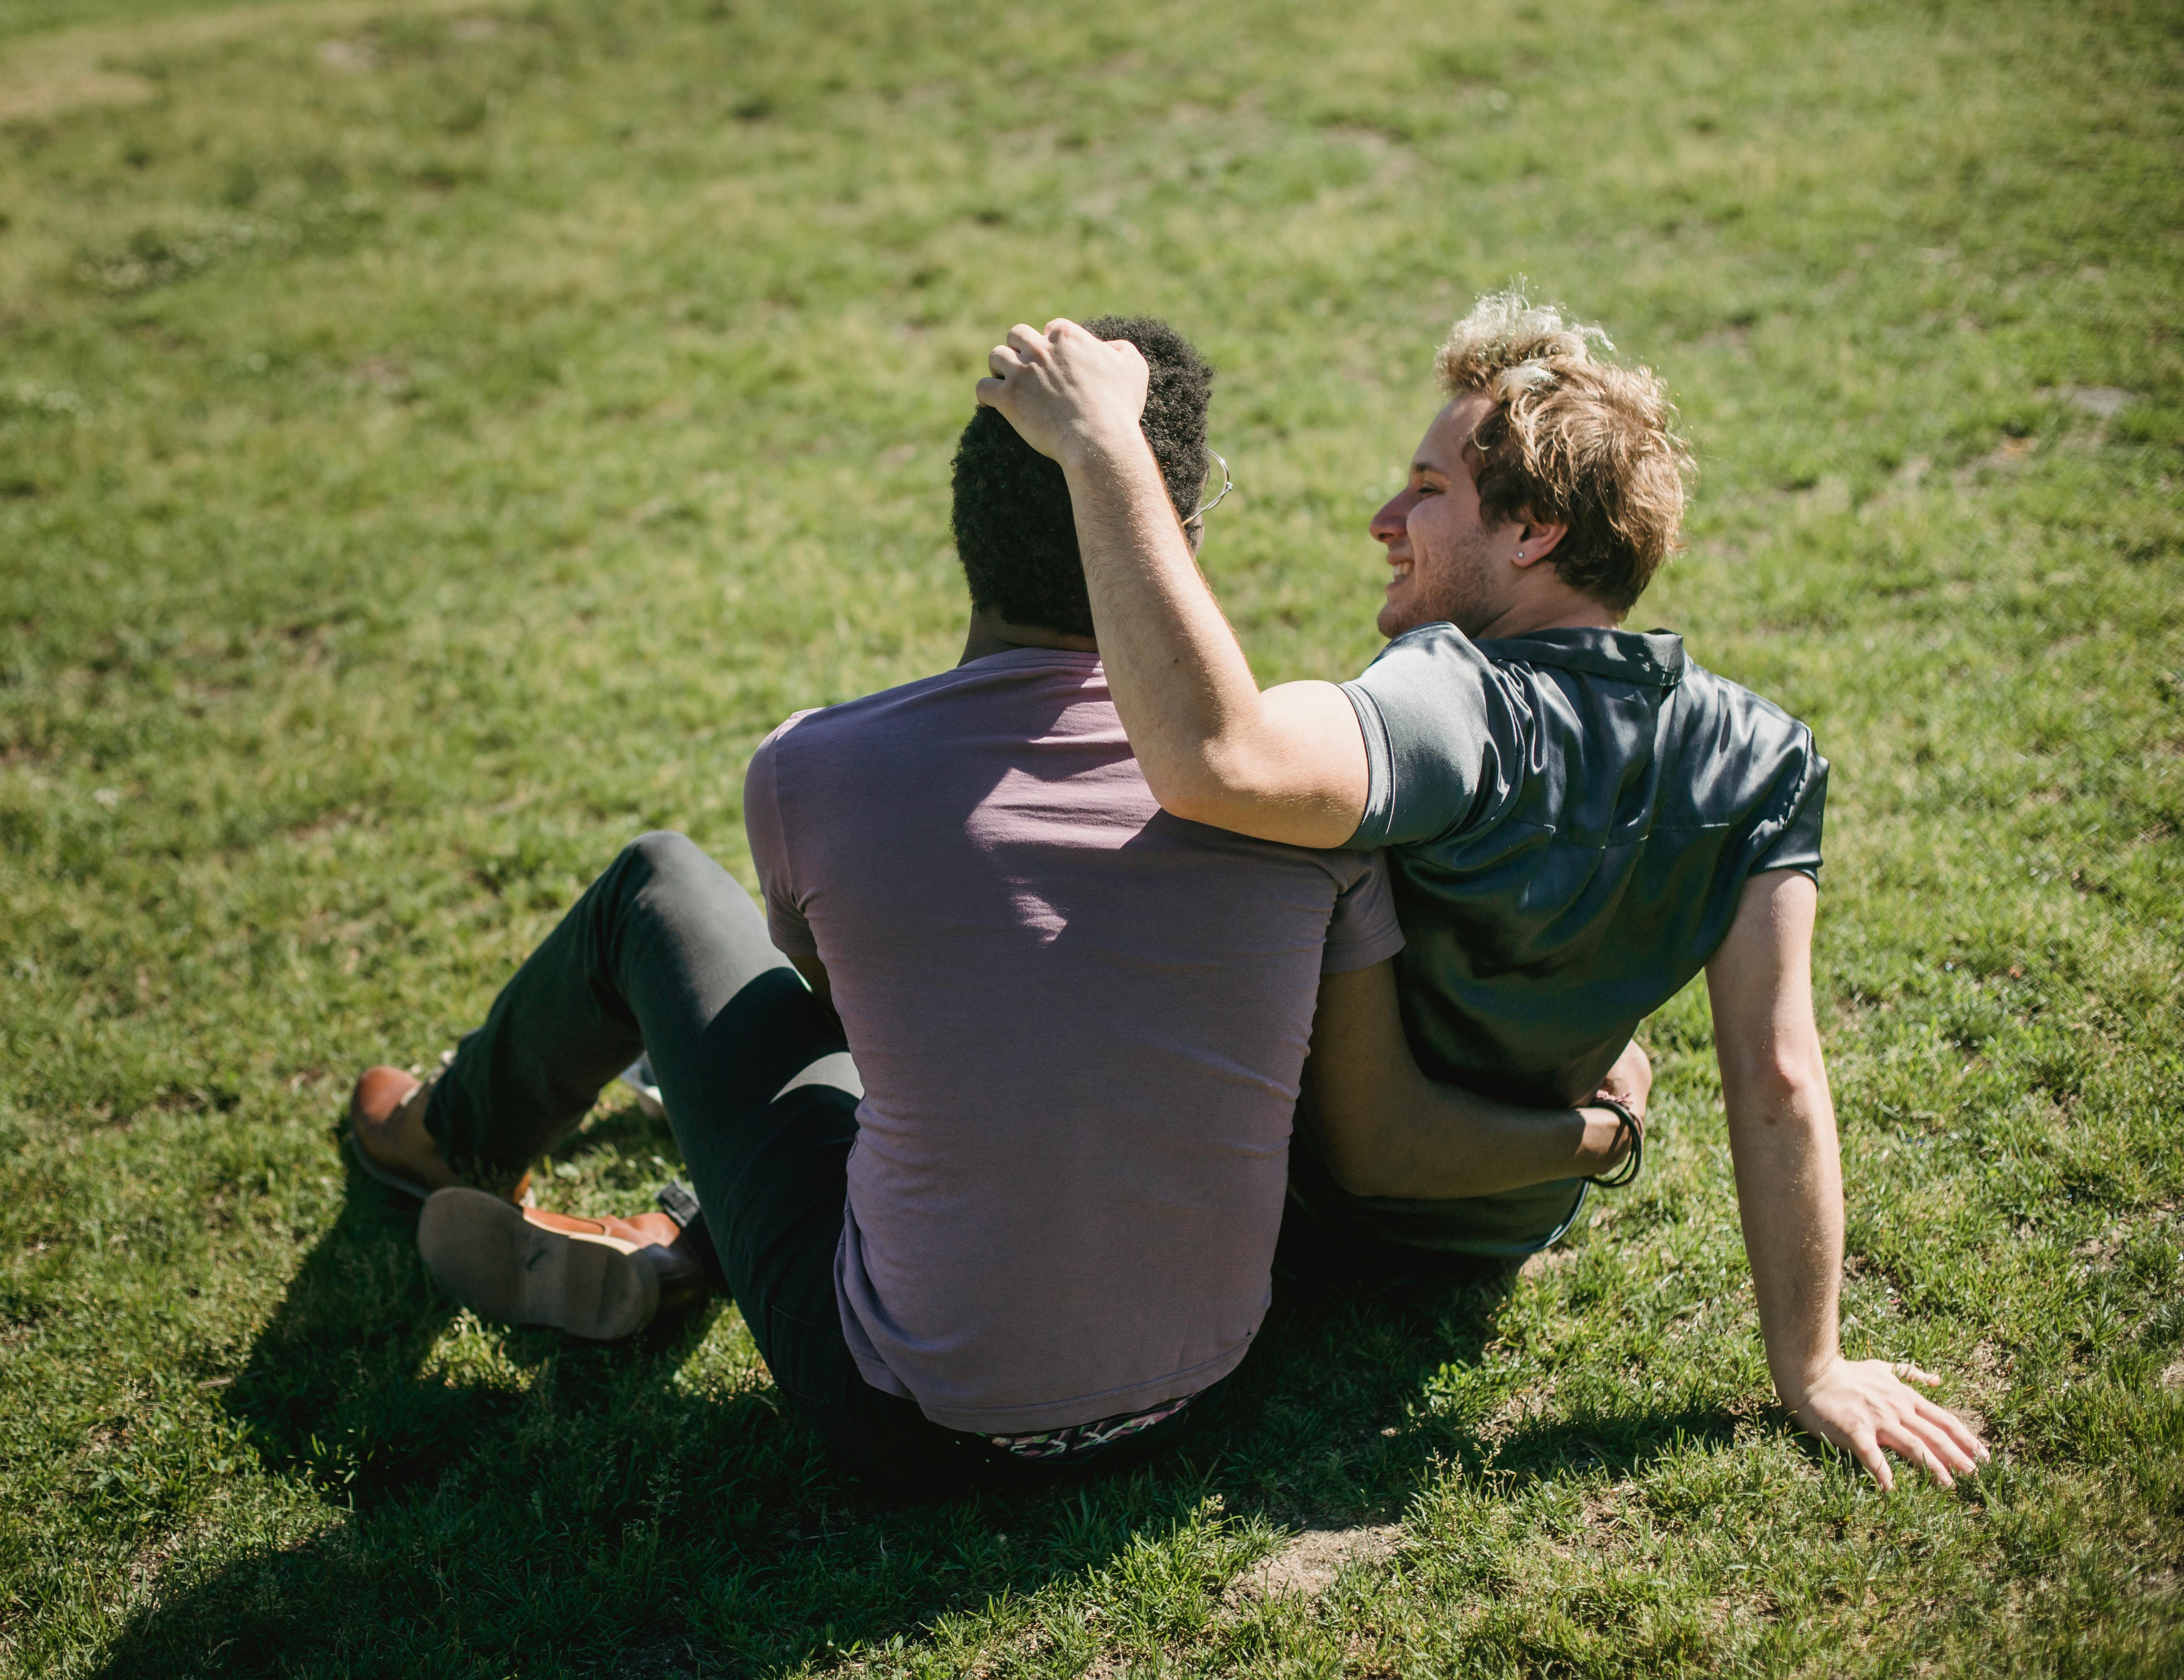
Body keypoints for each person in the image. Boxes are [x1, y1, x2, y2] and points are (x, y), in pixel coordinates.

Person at [343, 316, 1641, 1491]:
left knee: (661, 892)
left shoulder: (814, 772)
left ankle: (455, 1139)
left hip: (902, 1412)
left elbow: (857, 1031)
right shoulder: (1303, 802)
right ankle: (683, 1236)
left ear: (967, 540)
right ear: (1166, 539)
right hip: (1204, 1389)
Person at [972, 291, 1990, 1491]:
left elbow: (1216, 758)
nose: (1384, 520)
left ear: (1535, 533)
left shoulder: (1459, 696)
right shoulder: (1765, 755)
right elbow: (1776, 1075)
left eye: (1428, 490)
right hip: (1505, 1226)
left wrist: (1104, 452)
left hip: (1291, 1224)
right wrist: (1810, 1366)